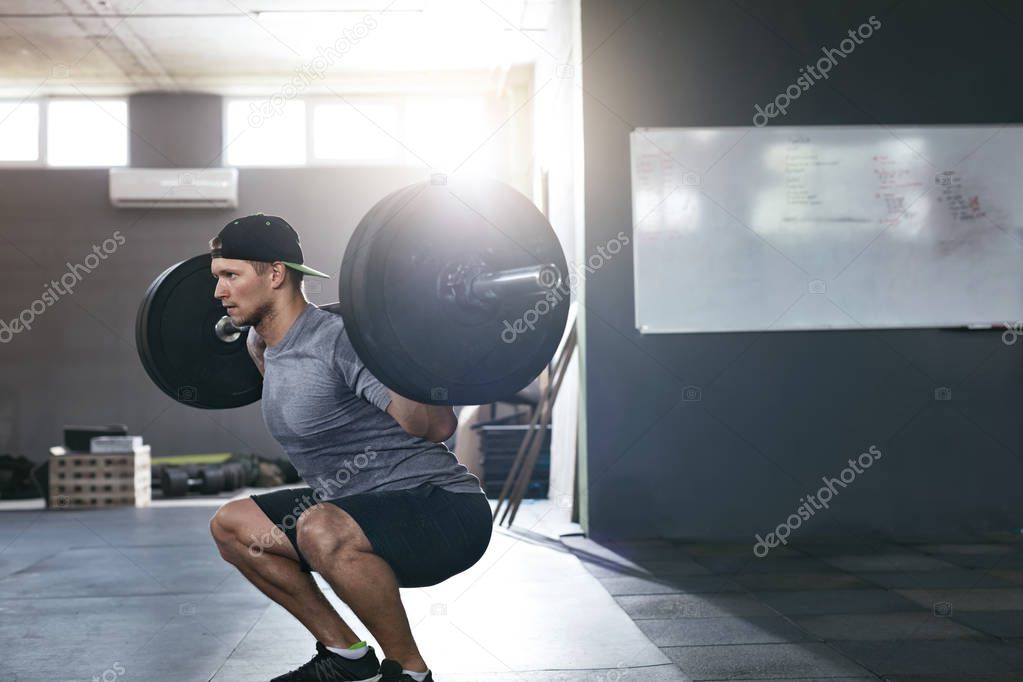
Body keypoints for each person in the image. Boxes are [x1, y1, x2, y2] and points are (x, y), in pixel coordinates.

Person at [208, 214, 492, 682]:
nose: (219, 293)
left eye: (231, 276)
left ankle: (411, 672)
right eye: (218, 278)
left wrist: (411, 347)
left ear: (275, 275)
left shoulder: (341, 342)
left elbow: (435, 425)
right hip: (358, 509)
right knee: (233, 527)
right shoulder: (262, 346)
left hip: (441, 510)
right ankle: (347, 656)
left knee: (320, 526)